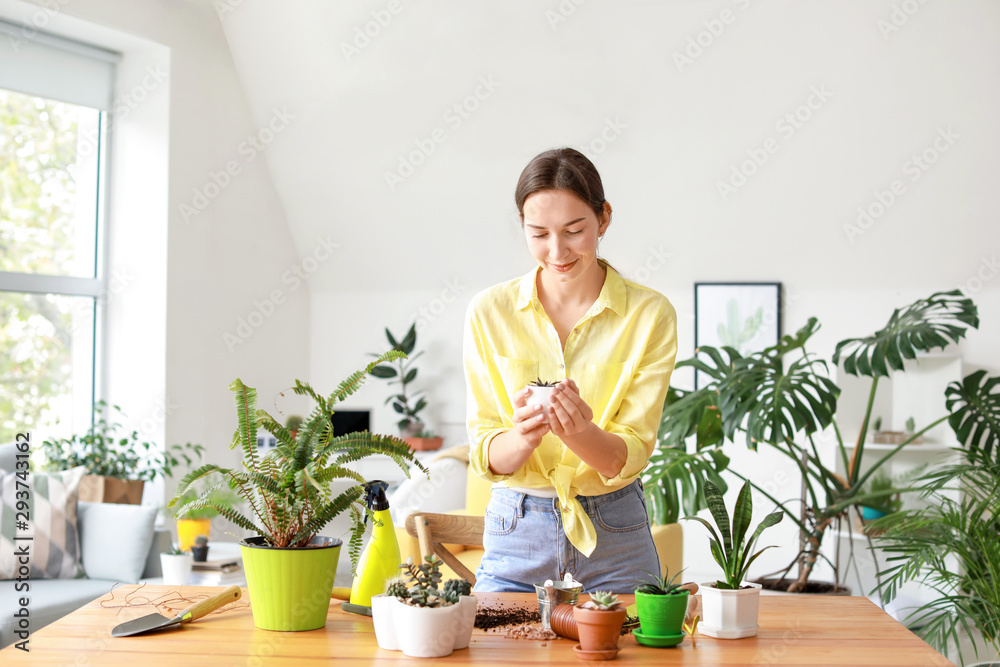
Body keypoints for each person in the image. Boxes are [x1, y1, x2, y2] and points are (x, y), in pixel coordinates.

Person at [463, 147, 678, 593]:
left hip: (616, 530)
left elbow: (627, 455)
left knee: (630, 660)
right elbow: (485, 453)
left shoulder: (649, 314)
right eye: (538, 233)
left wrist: (578, 432)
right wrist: (523, 436)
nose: (556, 251)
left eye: (574, 230)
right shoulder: (488, 312)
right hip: (515, 528)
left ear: (604, 218)